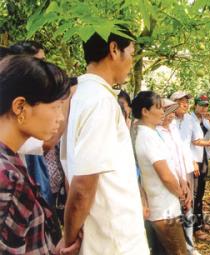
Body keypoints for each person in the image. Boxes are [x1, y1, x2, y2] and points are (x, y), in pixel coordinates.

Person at [62, 27, 149, 254]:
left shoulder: (80, 96)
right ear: (113, 49)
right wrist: (69, 239)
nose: (132, 62)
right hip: (114, 240)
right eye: (131, 52)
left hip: (104, 235)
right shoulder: (100, 101)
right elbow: (83, 183)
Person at [0, 55, 80, 254]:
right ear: (20, 107)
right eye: (55, 107)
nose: (60, 118)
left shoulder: (12, 160)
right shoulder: (7, 178)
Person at [133, 91, 188, 255]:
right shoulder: (148, 137)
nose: (162, 111)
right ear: (145, 111)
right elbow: (165, 175)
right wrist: (181, 194)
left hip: (163, 207)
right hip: (165, 209)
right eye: (158, 108)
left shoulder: (149, 133)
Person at [157, 98, 201, 255]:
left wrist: (185, 180)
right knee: (174, 215)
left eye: (171, 112)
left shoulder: (173, 127)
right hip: (170, 180)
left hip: (183, 175)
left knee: (188, 210)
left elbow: (181, 152)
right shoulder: (156, 132)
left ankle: (190, 247)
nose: (170, 116)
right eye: (167, 112)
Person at [187, 94, 210, 240]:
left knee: (201, 192)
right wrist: (191, 160)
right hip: (193, 159)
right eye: (201, 105)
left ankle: (200, 222)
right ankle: (195, 228)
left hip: (203, 158)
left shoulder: (205, 120)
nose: (203, 108)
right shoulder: (189, 120)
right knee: (194, 194)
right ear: (195, 105)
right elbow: (189, 142)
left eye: (206, 105)